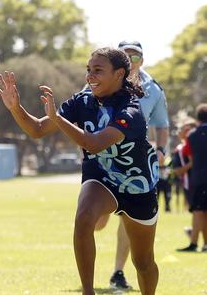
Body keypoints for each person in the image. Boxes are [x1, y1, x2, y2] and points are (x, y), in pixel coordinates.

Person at [0, 47, 159, 295]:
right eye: (88, 70)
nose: (90, 76)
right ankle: (88, 292)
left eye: (98, 71)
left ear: (119, 74)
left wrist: (58, 119)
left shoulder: (132, 110)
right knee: (84, 218)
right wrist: (15, 107)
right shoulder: (82, 101)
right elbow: (37, 129)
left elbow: (93, 142)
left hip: (138, 186)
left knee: (143, 262)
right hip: (101, 177)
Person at [92, 40, 169, 290]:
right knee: (98, 221)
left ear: (142, 60)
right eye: (125, 55)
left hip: (134, 164)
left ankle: (118, 271)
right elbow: (83, 116)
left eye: (135, 57)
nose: (130, 61)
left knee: (129, 219)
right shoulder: (99, 79)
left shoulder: (153, 89)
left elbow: (162, 124)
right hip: (103, 158)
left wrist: (161, 150)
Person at [176, 104, 207, 252]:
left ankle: (194, 243)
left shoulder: (192, 136)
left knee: (198, 211)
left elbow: (190, 158)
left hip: (199, 177)